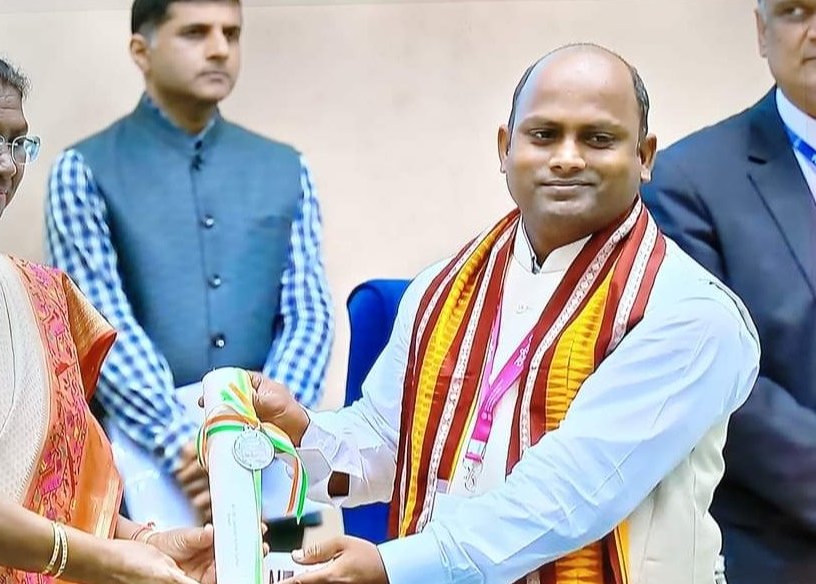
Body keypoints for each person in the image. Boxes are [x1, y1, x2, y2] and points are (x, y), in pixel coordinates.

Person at [247, 44, 761, 584]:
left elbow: (568, 496)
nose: (567, 158)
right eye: (544, 135)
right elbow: (387, 438)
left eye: (598, 139)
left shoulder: (689, 315)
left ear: (645, 155)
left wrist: (391, 566)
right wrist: (300, 430)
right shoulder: (441, 289)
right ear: (505, 148)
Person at [0, 47, 217, 584]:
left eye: (18, 143)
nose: (6, 164)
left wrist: (142, 543)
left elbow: (59, 484)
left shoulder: (39, 294)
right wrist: (94, 560)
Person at [44, 0, 333, 544]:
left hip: (268, 461)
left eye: (232, 33)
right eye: (196, 32)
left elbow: (309, 314)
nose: (220, 49)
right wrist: (191, 445)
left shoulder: (286, 167)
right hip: (146, 463)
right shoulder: (83, 170)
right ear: (141, 50)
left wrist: (263, 430)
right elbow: (100, 323)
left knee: (280, 575)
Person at [641, 1, 816, 581]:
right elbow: (716, 380)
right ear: (763, 32)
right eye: (796, 10)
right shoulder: (688, 184)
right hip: (780, 550)